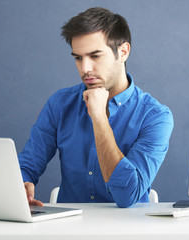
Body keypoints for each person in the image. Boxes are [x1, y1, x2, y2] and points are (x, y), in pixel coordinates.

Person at [18, 7, 174, 208]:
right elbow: (28, 164)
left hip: (128, 229)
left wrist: (99, 117)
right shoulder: (59, 104)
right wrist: (21, 183)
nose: (85, 69)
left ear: (123, 52)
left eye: (95, 56)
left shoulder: (155, 117)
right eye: (78, 58)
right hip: (69, 228)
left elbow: (127, 195)